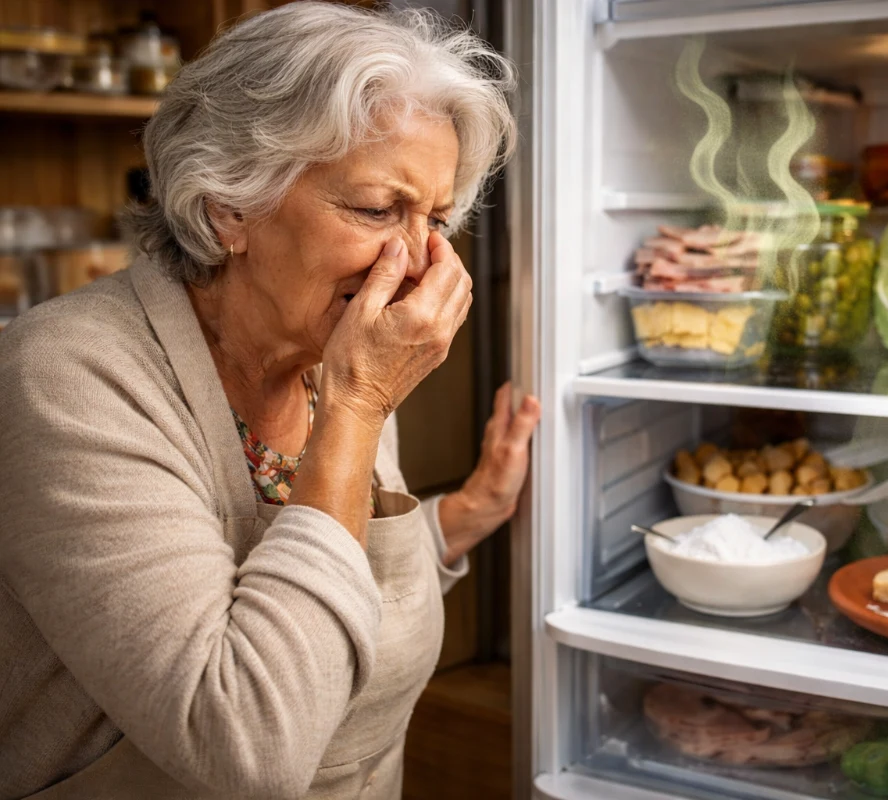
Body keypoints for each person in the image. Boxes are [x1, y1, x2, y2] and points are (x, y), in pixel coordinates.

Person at [0, 4, 538, 798]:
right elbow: (245, 744)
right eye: (377, 208)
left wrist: (461, 517)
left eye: (438, 219)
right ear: (229, 207)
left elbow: (326, 575)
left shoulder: (325, 351)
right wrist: (360, 407)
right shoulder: (66, 376)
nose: (422, 264)